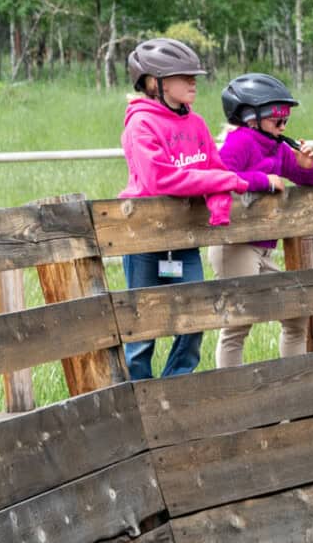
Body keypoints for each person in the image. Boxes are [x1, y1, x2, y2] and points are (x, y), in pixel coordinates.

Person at [118, 37, 285, 380]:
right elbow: (160, 180)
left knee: (196, 316)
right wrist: (229, 184)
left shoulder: (196, 124)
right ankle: (139, 397)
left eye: (194, 75)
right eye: (183, 76)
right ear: (154, 82)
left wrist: (221, 204)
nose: (193, 81)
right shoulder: (141, 124)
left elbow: (217, 168)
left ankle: (176, 392)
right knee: (143, 327)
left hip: (184, 239)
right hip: (145, 239)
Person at [211, 72, 313, 365]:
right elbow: (221, 177)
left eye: (286, 120)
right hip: (236, 246)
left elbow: (310, 179)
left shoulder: (277, 146)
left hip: (262, 248)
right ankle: (234, 393)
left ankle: (292, 382)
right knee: (238, 322)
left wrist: (308, 166)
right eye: (278, 120)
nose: (284, 125)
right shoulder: (240, 142)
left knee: (295, 312)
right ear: (251, 117)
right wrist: (264, 180)